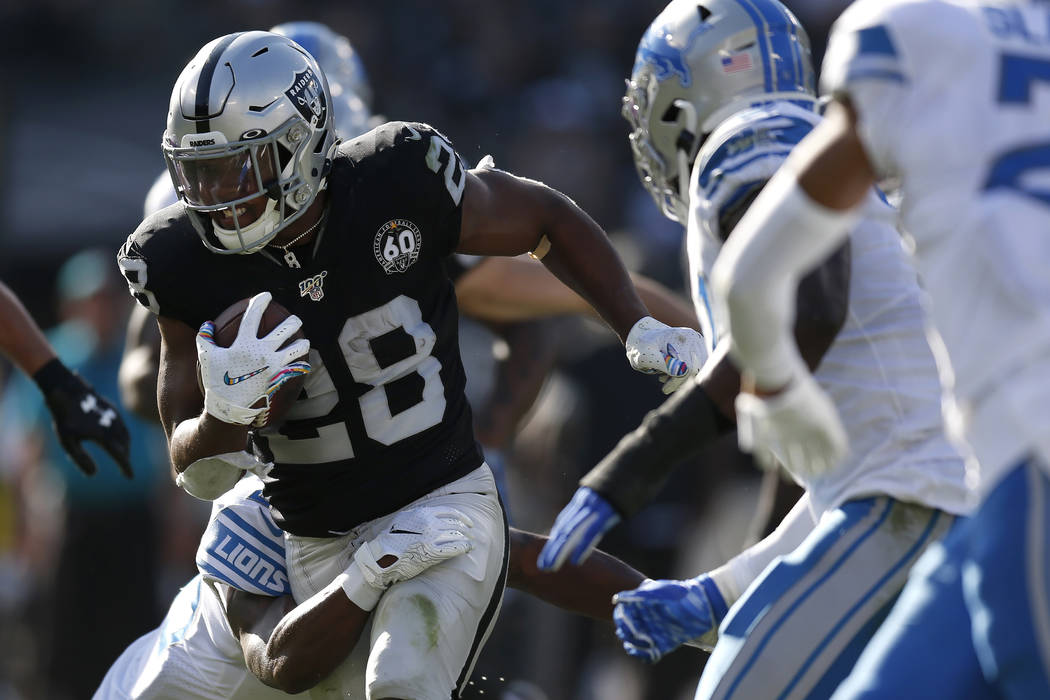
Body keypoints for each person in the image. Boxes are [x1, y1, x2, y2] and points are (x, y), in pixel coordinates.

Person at [116, 30, 705, 700]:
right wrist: (223, 414)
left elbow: (536, 264)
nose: (215, 195)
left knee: (423, 645)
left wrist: (639, 321)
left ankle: (688, 614)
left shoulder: (394, 184)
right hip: (282, 505)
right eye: (200, 172)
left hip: (427, 480)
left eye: (238, 168)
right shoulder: (180, 256)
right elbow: (193, 463)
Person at [537, 1, 972, 696]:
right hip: (932, 495)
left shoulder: (749, 139)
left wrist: (632, 468)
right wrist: (719, 591)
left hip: (910, 499)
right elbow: (838, 479)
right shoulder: (817, 140)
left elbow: (810, 307)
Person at [709, 1, 1050, 697]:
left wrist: (774, 383)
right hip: (995, 483)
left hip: (1032, 447)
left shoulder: (909, 32)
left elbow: (748, 279)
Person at [95, 473, 646, 699]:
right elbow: (280, 664)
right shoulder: (252, 511)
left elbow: (521, 559)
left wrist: (676, 605)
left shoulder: (400, 480)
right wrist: (367, 573)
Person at [0, 278, 130, 477]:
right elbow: (29, 439)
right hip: (69, 501)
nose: (102, 310)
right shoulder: (53, 353)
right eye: (94, 302)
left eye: (109, 300)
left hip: (139, 501)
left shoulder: (133, 356)